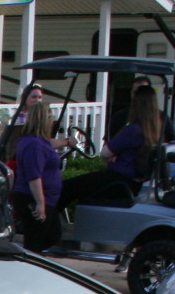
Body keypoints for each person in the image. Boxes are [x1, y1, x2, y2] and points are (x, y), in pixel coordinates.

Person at [59, 85, 164, 213]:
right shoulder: (155, 130)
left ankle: (47, 224)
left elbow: (104, 153)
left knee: (67, 187)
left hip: (119, 181)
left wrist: (114, 156)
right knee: (83, 185)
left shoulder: (133, 130)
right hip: (134, 183)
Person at [10, 101, 62, 253]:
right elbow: (34, 176)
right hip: (32, 197)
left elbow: (51, 145)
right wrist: (40, 204)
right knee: (35, 241)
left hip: (47, 197)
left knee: (52, 235)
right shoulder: (34, 145)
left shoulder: (39, 142)